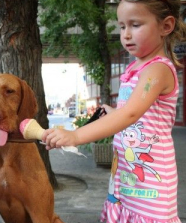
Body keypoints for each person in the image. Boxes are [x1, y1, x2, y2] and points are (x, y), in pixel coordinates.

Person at [42, 0, 186, 222]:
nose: (126, 34)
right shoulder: (133, 68)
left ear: (165, 26)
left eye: (135, 25)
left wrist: (75, 136)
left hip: (151, 184)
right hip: (125, 175)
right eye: (121, 26)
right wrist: (112, 111)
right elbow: (131, 110)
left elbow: (130, 114)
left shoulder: (157, 69)